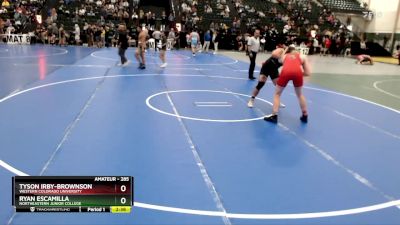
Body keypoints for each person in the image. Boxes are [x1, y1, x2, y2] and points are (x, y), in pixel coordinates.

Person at [264, 45, 311, 124]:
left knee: (277, 94)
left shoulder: (285, 56)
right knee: (299, 95)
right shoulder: (302, 56)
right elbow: (307, 73)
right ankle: (305, 115)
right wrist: (297, 74)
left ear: (288, 51)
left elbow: (277, 58)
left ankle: (274, 116)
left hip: (286, 72)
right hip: (298, 73)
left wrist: (285, 50)